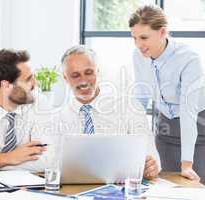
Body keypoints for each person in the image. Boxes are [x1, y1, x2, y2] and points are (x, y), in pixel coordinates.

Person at [129, 5, 205, 186]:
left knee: (194, 191)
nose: (138, 44)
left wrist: (186, 164)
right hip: (165, 131)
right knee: (165, 191)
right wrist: (128, 139)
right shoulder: (138, 56)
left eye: (144, 37)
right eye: (134, 38)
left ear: (162, 32)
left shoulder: (188, 59)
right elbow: (141, 98)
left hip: (198, 130)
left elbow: (188, 111)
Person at [55, 45, 160, 180]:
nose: (83, 81)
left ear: (97, 72)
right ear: (65, 78)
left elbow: (151, 155)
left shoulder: (129, 107)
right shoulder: (58, 117)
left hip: (120, 188)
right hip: (74, 189)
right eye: (75, 75)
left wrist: (151, 167)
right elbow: (52, 164)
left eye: (88, 72)